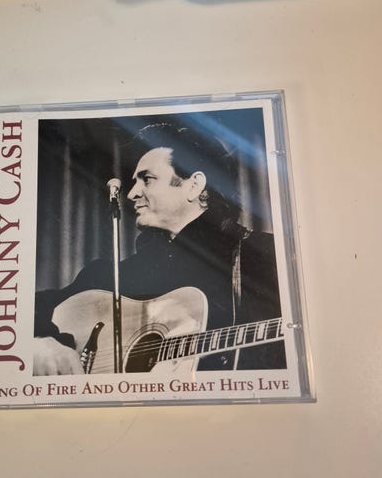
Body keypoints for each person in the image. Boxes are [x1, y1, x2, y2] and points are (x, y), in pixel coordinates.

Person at [33, 122, 286, 375]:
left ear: (194, 185)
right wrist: (42, 343)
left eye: (147, 179)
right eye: (135, 182)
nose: (132, 193)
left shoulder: (265, 255)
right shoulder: (111, 278)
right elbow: (31, 307)